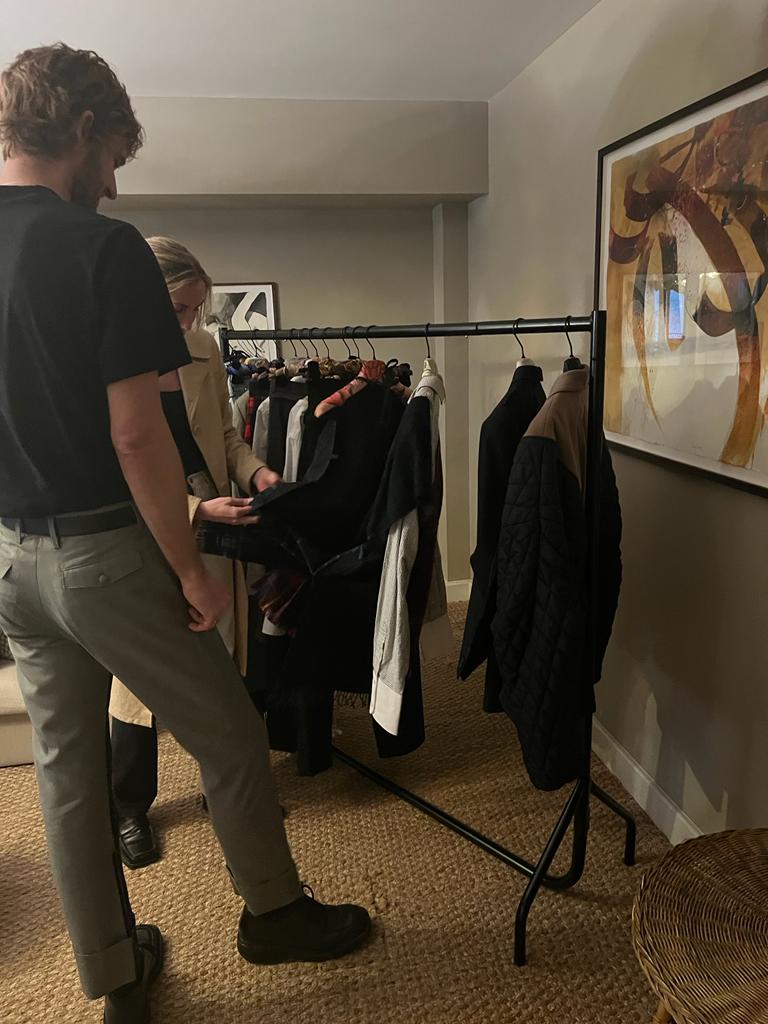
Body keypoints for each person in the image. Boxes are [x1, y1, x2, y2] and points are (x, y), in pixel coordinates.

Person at [0, 43, 370, 1024]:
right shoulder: (103, 246)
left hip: (12, 561)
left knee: (65, 772)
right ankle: (274, 913)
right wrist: (192, 571)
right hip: (105, 555)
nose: (115, 183)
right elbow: (138, 435)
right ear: (84, 129)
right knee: (232, 735)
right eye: (115, 156)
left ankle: (115, 975)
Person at [109, 236, 278, 870]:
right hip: (142, 534)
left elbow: (227, 436)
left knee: (220, 664)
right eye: (179, 308)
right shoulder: (110, 355)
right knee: (136, 684)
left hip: (214, 525)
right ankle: (129, 806)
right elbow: (115, 464)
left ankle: (224, 787)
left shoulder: (203, 348)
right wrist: (194, 511)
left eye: (195, 309)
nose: (188, 322)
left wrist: (257, 472)